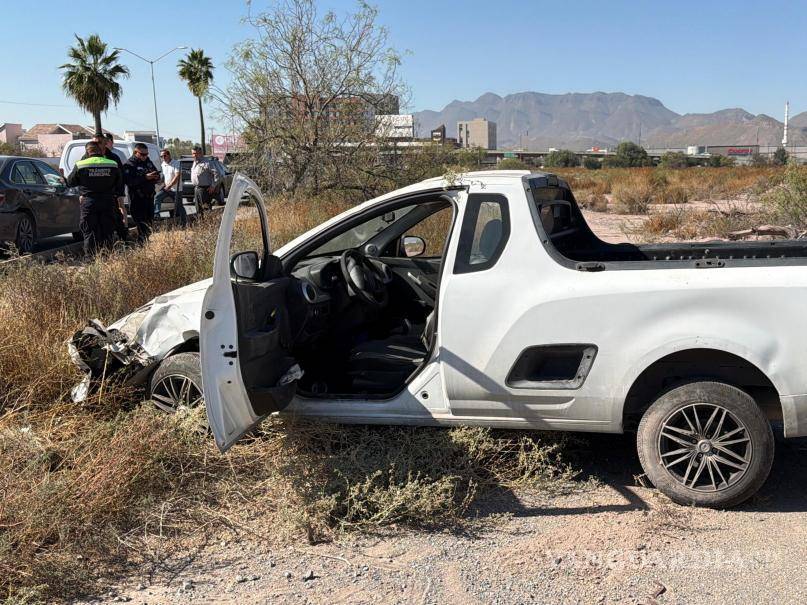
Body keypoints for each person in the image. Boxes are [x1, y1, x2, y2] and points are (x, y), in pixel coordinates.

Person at [66, 140, 122, 257]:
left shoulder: (81, 164)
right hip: (108, 201)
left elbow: (71, 182)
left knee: (89, 232)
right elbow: (120, 183)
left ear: (87, 152)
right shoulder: (112, 164)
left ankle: (90, 259)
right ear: (101, 151)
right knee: (107, 230)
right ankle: (107, 258)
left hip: (89, 202)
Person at [80, 133, 129, 242]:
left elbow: (120, 176)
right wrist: (81, 193)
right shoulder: (86, 157)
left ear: (105, 143)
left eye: (98, 143)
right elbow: (80, 176)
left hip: (111, 196)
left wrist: (119, 194)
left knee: (115, 220)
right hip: (92, 198)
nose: (95, 145)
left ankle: (123, 240)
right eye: (94, 142)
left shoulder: (113, 157)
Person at [123, 143, 160, 242]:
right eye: (143, 154)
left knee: (149, 222)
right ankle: (142, 243)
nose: (145, 156)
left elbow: (156, 173)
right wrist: (145, 177)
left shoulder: (148, 162)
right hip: (137, 199)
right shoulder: (129, 164)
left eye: (147, 154)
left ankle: (146, 241)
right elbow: (129, 182)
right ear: (136, 152)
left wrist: (156, 177)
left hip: (149, 197)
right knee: (141, 223)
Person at [154, 148, 187, 226]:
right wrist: (159, 182)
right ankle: (156, 215)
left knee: (179, 206)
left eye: (164, 156)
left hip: (176, 189)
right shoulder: (163, 164)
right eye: (161, 156)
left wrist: (170, 185)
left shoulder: (176, 163)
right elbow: (164, 177)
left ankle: (184, 222)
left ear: (169, 155)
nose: (163, 158)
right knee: (157, 197)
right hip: (166, 188)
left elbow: (177, 176)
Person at [190, 146, 220, 217]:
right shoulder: (194, 163)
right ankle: (201, 224)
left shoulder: (207, 162)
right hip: (196, 188)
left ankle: (209, 224)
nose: (194, 155)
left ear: (200, 153)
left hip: (204, 189)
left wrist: (213, 186)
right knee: (198, 209)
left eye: (195, 153)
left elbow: (217, 174)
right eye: (193, 154)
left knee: (206, 209)